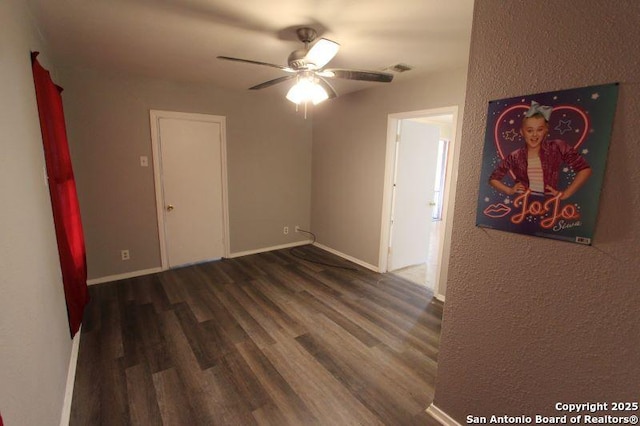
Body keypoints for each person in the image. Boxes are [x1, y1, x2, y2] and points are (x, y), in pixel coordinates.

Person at [489, 101, 592, 200]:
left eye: (539, 129)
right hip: (522, 203)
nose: (534, 134)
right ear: (522, 132)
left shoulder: (557, 147)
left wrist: (565, 194)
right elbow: (493, 179)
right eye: (529, 130)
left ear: (546, 130)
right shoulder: (515, 156)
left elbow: (585, 169)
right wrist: (509, 190)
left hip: (547, 204)